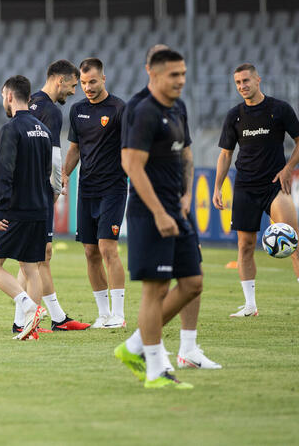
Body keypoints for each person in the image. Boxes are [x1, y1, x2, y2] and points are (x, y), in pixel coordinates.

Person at [122, 44, 220, 371]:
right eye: (174, 74)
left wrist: (188, 195)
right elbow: (131, 164)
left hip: (178, 208)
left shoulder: (178, 108)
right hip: (152, 211)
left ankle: (140, 344)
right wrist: (160, 212)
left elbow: (186, 153)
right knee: (157, 288)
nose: (181, 80)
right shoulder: (141, 109)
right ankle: (154, 364)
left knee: (193, 282)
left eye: (184, 74)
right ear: (152, 71)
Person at [214, 63, 299, 318]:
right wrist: (217, 186)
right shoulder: (234, 115)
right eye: (238, 83)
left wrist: (289, 168)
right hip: (245, 187)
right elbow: (226, 154)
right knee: (244, 246)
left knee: (294, 241)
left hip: (274, 186)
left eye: (246, 81)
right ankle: (250, 306)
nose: (242, 86)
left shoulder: (278, 109)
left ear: (258, 79)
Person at [19, 59, 90, 332]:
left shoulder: (31, 103)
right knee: (40, 254)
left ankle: (32, 318)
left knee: (34, 255)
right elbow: (55, 157)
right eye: (73, 85)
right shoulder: (51, 111)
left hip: (25, 188)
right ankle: (48, 318)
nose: (74, 92)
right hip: (39, 191)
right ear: (59, 80)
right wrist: (58, 189)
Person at [0, 75, 50, 341]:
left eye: (2, 97)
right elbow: (47, 173)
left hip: (16, 212)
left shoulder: (11, 129)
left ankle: (29, 306)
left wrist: (0, 211)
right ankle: (29, 330)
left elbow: (5, 172)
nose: (3, 101)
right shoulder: (42, 130)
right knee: (31, 268)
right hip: (39, 210)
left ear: (9, 96)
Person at [62, 58, 127, 329]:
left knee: (107, 247)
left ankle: (119, 315)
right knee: (90, 252)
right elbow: (75, 149)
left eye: (92, 82)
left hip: (112, 187)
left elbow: (129, 150)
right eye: (84, 82)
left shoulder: (119, 109)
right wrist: (64, 174)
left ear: (103, 79)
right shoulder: (77, 111)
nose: (87, 87)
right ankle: (103, 314)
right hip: (86, 188)